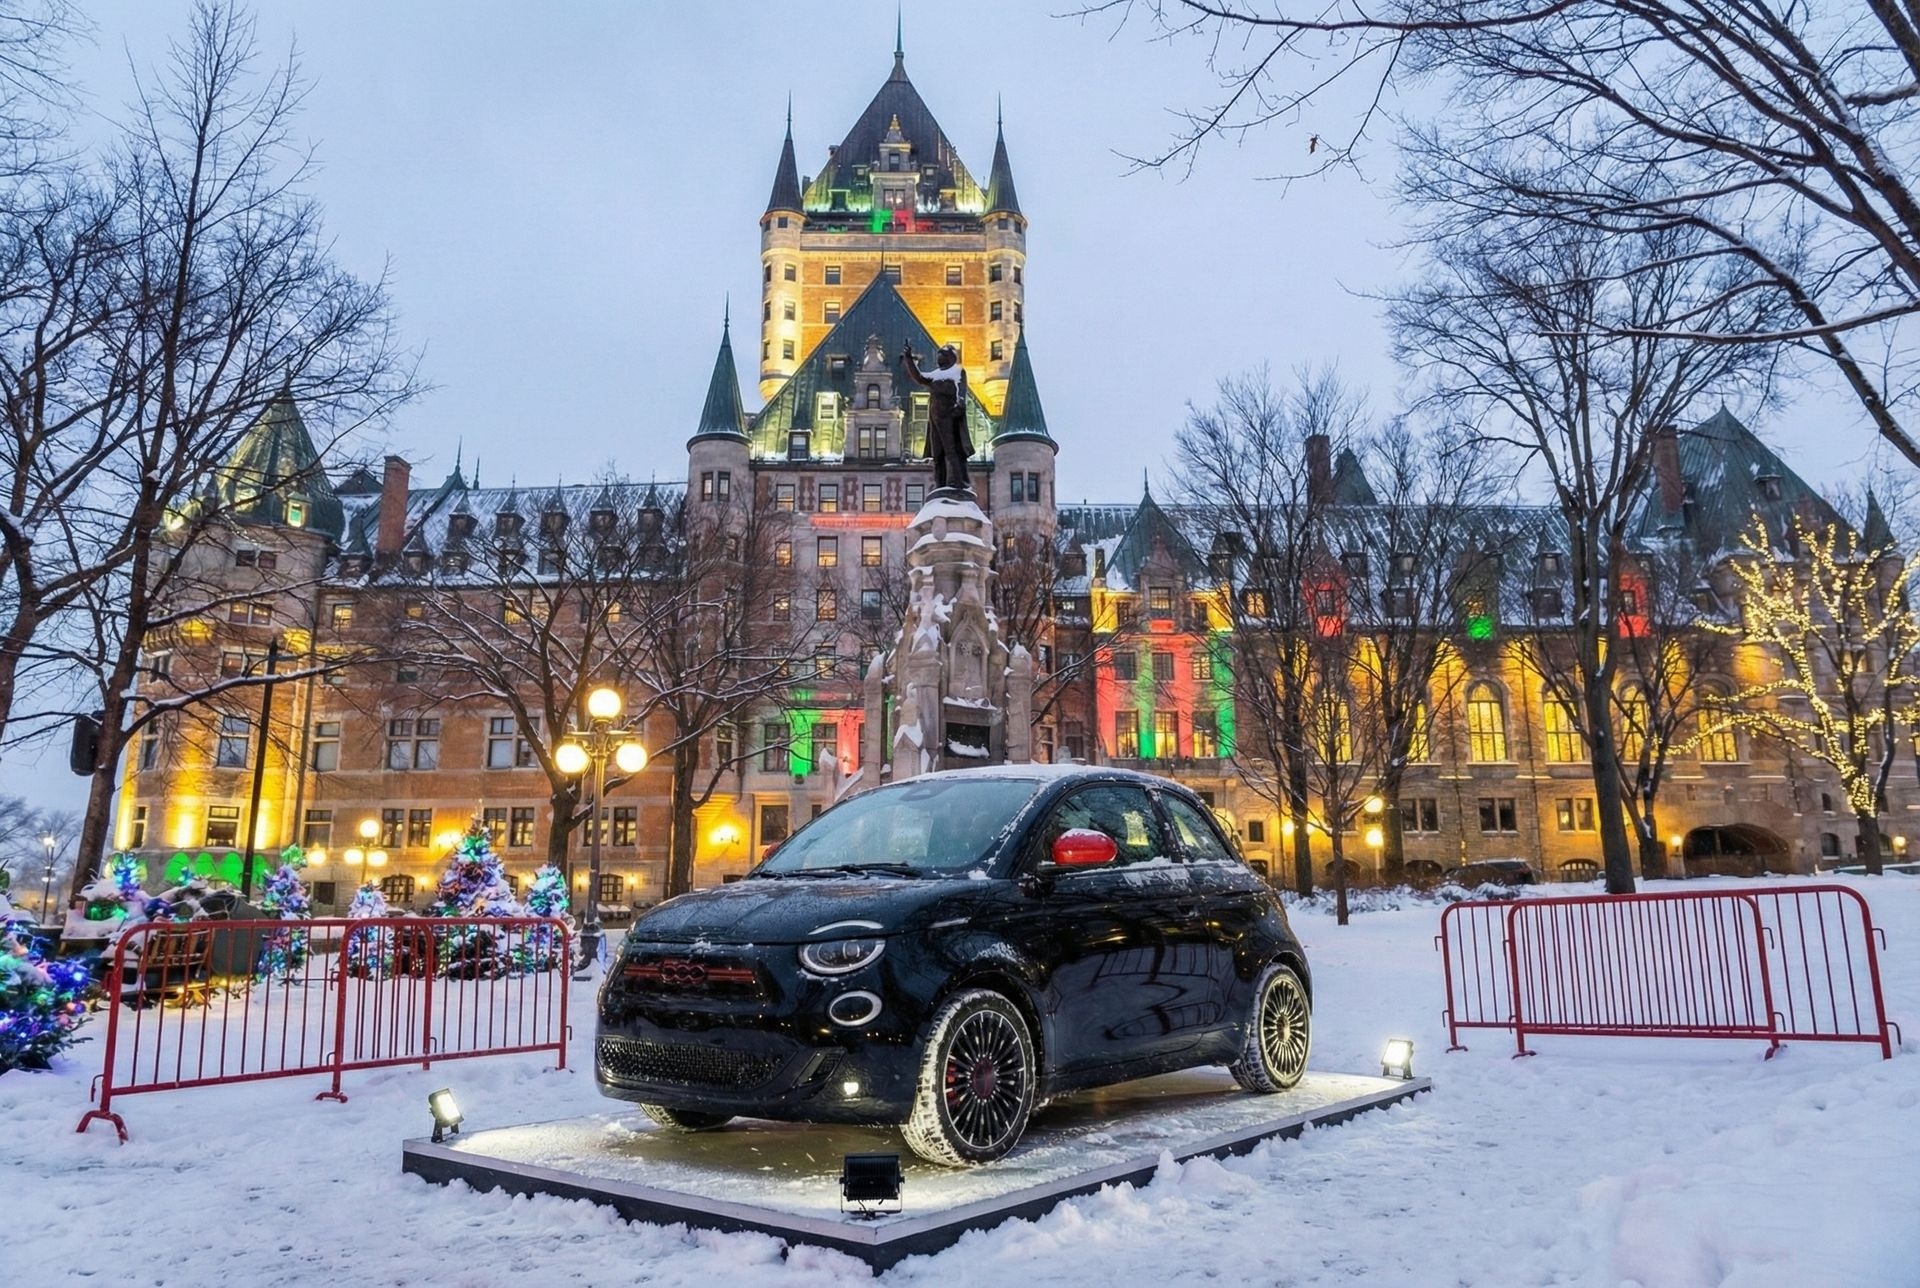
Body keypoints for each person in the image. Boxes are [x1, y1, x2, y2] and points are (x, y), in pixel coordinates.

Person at [900, 343, 973, 494]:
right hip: (935, 419)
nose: (939, 356)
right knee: (937, 453)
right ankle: (940, 484)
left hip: (949, 417)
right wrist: (908, 359)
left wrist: (959, 403)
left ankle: (957, 482)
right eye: (939, 354)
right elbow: (919, 377)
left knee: (951, 450)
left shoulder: (957, 372)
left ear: (950, 357)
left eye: (943, 354)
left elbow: (961, 390)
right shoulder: (936, 374)